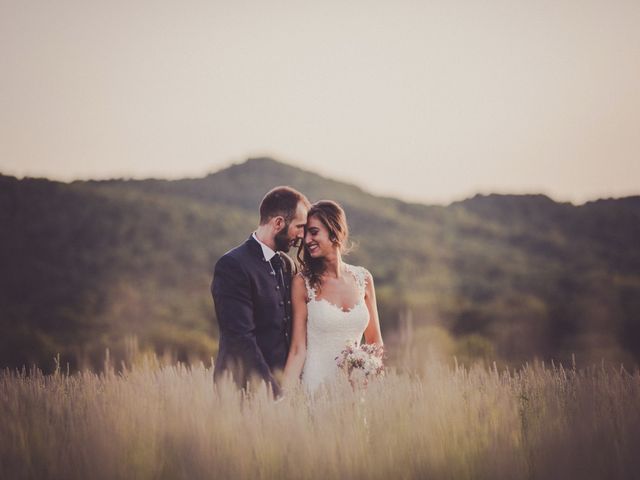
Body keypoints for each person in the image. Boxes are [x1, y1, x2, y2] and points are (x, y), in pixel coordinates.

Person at [211, 186, 310, 397]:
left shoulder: (287, 264)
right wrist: (271, 392)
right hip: (240, 390)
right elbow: (240, 337)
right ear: (278, 223)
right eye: (299, 227)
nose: (302, 236)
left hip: (284, 390)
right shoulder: (232, 265)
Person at [283, 200, 383, 393]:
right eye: (305, 235)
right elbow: (297, 349)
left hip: (356, 390)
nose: (307, 240)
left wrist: (370, 373)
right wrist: (283, 397)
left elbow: (375, 341)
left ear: (334, 230)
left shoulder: (364, 279)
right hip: (317, 386)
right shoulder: (302, 283)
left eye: (314, 232)